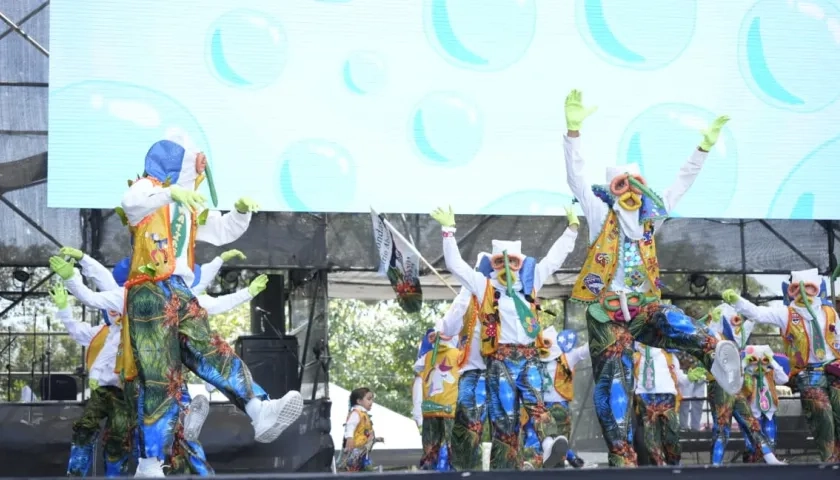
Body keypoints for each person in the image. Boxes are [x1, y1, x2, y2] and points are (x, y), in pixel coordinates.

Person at [561, 89, 743, 466]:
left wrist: (703, 149)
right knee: (614, 390)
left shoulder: (649, 220)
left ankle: (714, 354)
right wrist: (573, 132)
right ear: (612, 193)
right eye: (621, 187)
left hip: (642, 311)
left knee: (670, 316)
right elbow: (576, 178)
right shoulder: (600, 216)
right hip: (606, 318)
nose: (630, 194)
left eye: (636, 186)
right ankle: (623, 459)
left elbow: (681, 183)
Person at [116, 136, 301, 476]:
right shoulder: (150, 189)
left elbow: (220, 230)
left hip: (179, 289)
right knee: (161, 377)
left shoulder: (187, 207)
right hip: (148, 289)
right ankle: (150, 461)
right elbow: (131, 203)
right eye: (193, 162)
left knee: (212, 350)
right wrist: (172, 192)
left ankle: (258, 409)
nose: (200, 168)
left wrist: (241, 212)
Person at [430, 204, 580, 469]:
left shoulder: (531, 284)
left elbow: (554, 259)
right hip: (500, 362)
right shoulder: (484, 285)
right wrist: (448, 231)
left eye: (513, 262)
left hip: (530, 359)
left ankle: (548, 449)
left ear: (520, 264)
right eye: (500, 261)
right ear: (493, 264)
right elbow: (455, 265)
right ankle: (504, 472)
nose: (507, 267)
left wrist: (572, 229)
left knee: (538, 406)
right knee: (506, 423)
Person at [722, 268, 840, 462]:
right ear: (790, 291)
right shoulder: (786, 313)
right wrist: (737, 301)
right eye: (798, 288)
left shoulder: (829, 312)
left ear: (818, 289)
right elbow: (758, 314)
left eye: (810, 287)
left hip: (835, 368)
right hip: (809, 374)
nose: (804, 292)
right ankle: (829, 463)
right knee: (822, 416)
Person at [50, 282, 132, 477]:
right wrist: (64, 309)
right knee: (85, 429)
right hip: (102, 390)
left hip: (126, 393)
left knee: (118, 437)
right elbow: (76, 330)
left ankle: (115, 476)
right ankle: (76, 473)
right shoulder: (101, 332)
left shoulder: (137, 332)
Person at [704, 304, 783, 465]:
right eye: (734, 319)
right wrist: (714, 322)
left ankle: (770, 458)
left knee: (750, 422)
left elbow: (751, 320)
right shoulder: (713, 336)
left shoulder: (735, 339)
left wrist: (744, 310)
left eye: (737, 319)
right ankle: (715, 465)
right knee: (722, 426)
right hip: (720, 383)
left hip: (734, 384)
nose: (737, 323)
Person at [438, 259, 489, 471]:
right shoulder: (468, 299)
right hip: (480, 375)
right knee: (471, 433)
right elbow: (448, 328)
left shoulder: (501, 296)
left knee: (500, 434)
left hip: (490, 374)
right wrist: (465, 294)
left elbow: (447, 328)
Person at [520, 327, 590, 469]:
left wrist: (598, 332)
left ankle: (566, 459)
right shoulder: (533, 361)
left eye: (546, 343)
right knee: (534, 436)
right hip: (539, 407)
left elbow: (584, 351)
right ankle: (531, 465)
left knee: (558, 444)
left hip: (559, 408)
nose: (545, 346)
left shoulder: (567, 358)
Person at [412, 317, 463, 471]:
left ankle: (427, 471)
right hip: (450, 408)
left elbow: (417, 368)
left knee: (430, 446)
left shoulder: (427, 356)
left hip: (430, 408)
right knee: (453, 445)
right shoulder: (459, 355)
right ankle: (455, 472)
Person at [632, 343, 689, 466]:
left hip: (667, 397)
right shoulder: (635, 356)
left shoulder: (668, 355)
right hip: (645, 397)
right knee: (651, 440)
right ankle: (660, 469)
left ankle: (674, 466)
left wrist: (691, 377)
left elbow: (679, 376)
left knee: (672, 436)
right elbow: (631, 381)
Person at [739, 345, 790, 463]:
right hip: (751, 413)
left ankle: (769, 466)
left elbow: (784, 379)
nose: (759, 364)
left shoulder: (770, 373)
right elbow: (736, 379)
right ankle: (753, 464)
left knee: (771, 441)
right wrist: (745, 362)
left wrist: (772, 361)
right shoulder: (746, 374)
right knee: (752, 443)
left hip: (769, 412)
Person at [339, 387, 382, 472]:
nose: (371, 402)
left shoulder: (362, 414)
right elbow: (350, 425)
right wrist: (349, 438)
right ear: (359, 401)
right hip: (356, 448)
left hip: (362, 448)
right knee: (354, 468)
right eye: (369, 399)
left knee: (361, 467)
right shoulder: (356, 413)